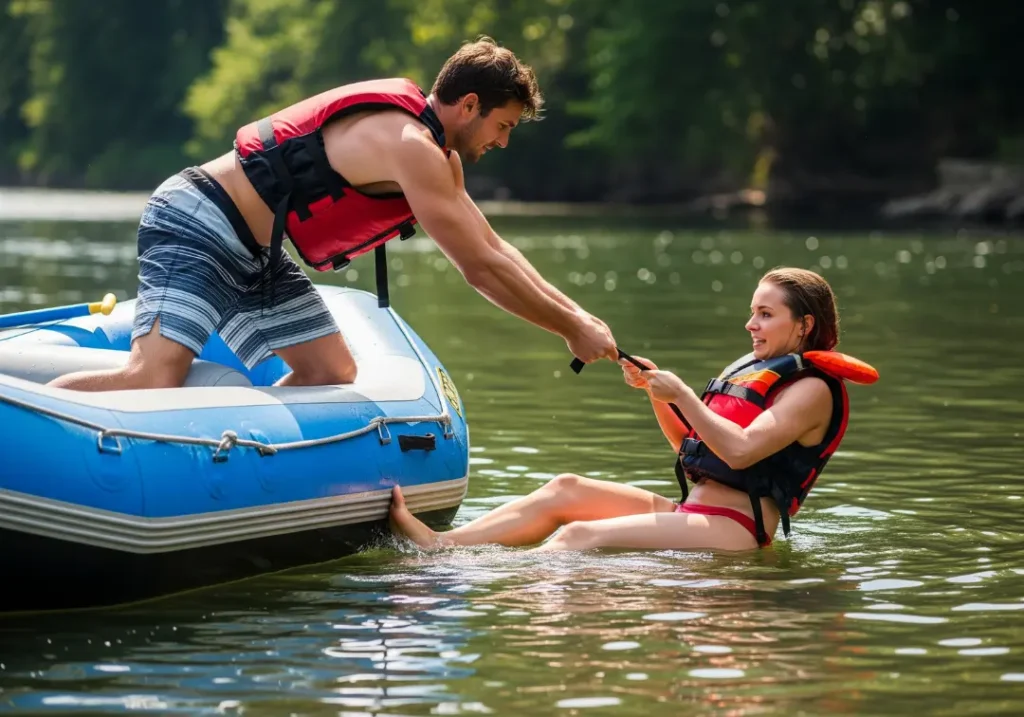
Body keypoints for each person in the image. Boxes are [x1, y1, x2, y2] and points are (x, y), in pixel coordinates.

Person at [49, 37, 617, 391]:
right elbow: (478, 270)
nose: (503, 142)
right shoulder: (411, 146)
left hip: (255, 252)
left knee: (330, 372)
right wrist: (568, 330)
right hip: (200, 219)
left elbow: (497, 250)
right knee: (152, 376)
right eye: (503, 126)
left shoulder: (439, 158)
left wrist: (581, 319)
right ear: (469, 105)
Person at [389, 267, 878, 552]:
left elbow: (742, 451)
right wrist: (654, 391)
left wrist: (683, 393)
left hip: (736, 529)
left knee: (579, 536)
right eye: (753, 310)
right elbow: (692, 449)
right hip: (695, 508)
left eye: (766, 314)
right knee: (567, 488)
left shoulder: (812, 389)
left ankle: (516, 609)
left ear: (804, 325)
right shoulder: (762, 369)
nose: (750, 323)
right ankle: (446, 549)